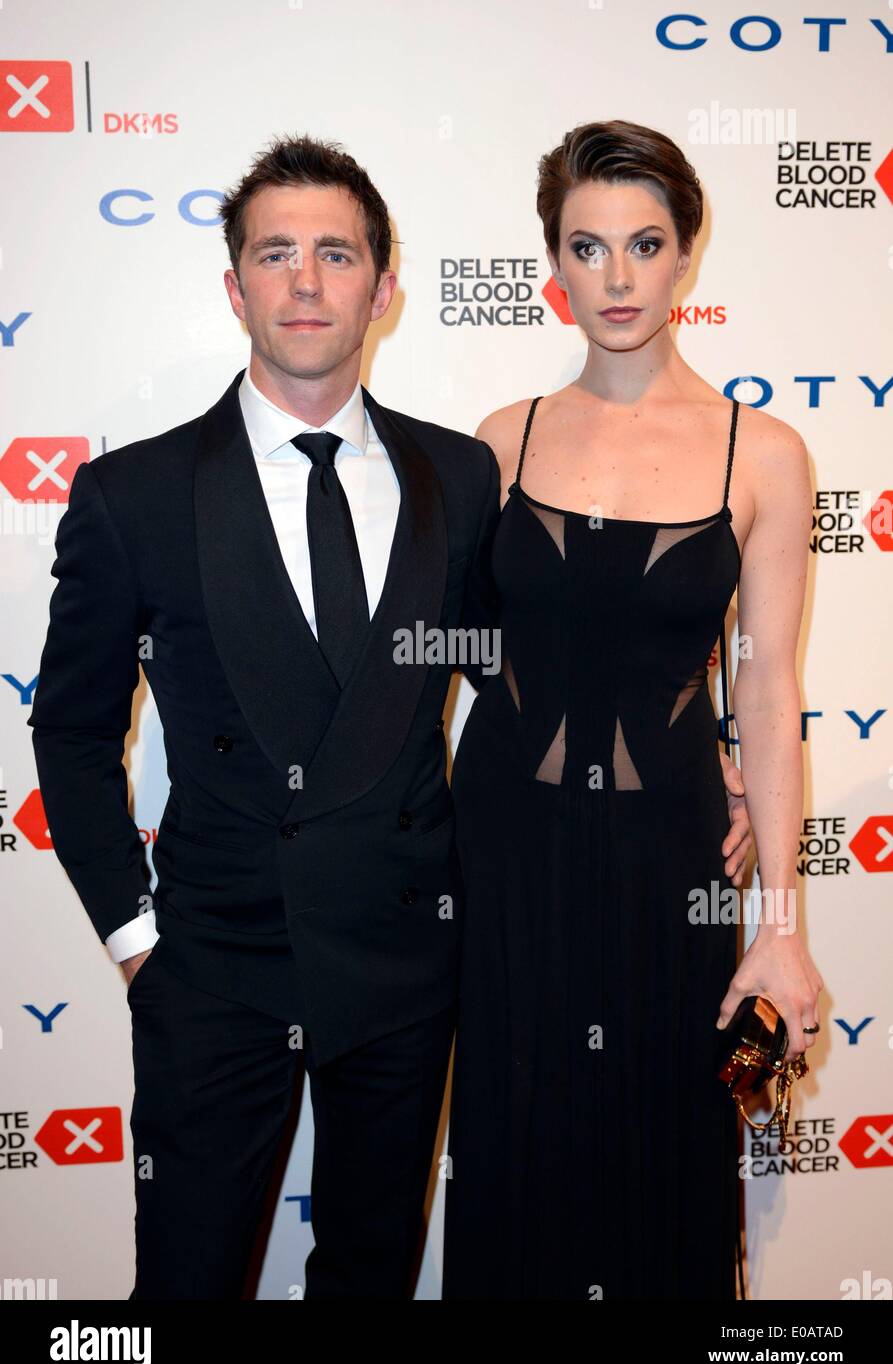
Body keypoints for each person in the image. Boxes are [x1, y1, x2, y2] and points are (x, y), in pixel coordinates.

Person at [27, 132, 751, 1302]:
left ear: (383, 285)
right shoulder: (134, 494)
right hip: (213, 971)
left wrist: (704, 746)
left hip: (407, 967)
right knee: (184, 1284)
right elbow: (68, 729)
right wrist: (135, 940)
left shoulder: (456, 478)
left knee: (368, 1276)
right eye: (275, 254)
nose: (305, 282)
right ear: (234, 286)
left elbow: (534, 643)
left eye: (335, 254)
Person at [442, 120, 823, 1300]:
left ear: (684, 255)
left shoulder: (759, 452)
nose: (614, 278)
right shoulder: (501, 441)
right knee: (515, 1142)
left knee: (669, 1148)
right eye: (585, 247)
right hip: (507, 848)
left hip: (668, 858)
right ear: (552, 262)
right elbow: (460, 647)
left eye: (642, 244)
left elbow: (761, 677)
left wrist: (780, 920)